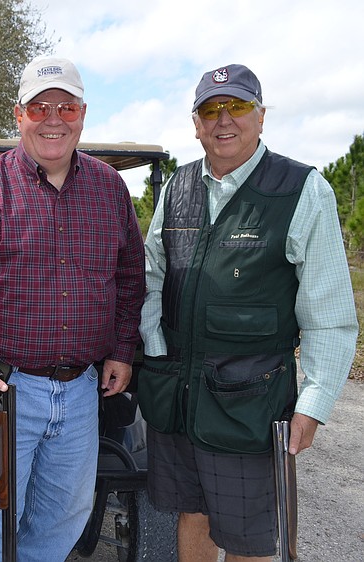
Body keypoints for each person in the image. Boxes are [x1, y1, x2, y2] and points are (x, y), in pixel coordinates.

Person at [0, 56, 146, 561]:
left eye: (66, 107)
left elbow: (131, 279)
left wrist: (122, 351)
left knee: (62, 521)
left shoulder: (110, 190)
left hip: (84, 391)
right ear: (18, 113)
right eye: (40, 107)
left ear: (82, 114)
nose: (53, 119)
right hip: (3, 390)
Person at [139, 64, 358, 561]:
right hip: (178, 398)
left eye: (237, 106)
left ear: (261, 117)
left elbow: (329, 312)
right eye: (210, 110)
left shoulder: (302, 190)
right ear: (195, 124)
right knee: (190, 512)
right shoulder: (177, 189)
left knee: (248, 536)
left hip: (250, 406)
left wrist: (313, 404)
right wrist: (155, 354)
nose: (224, 120)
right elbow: (151, 276)